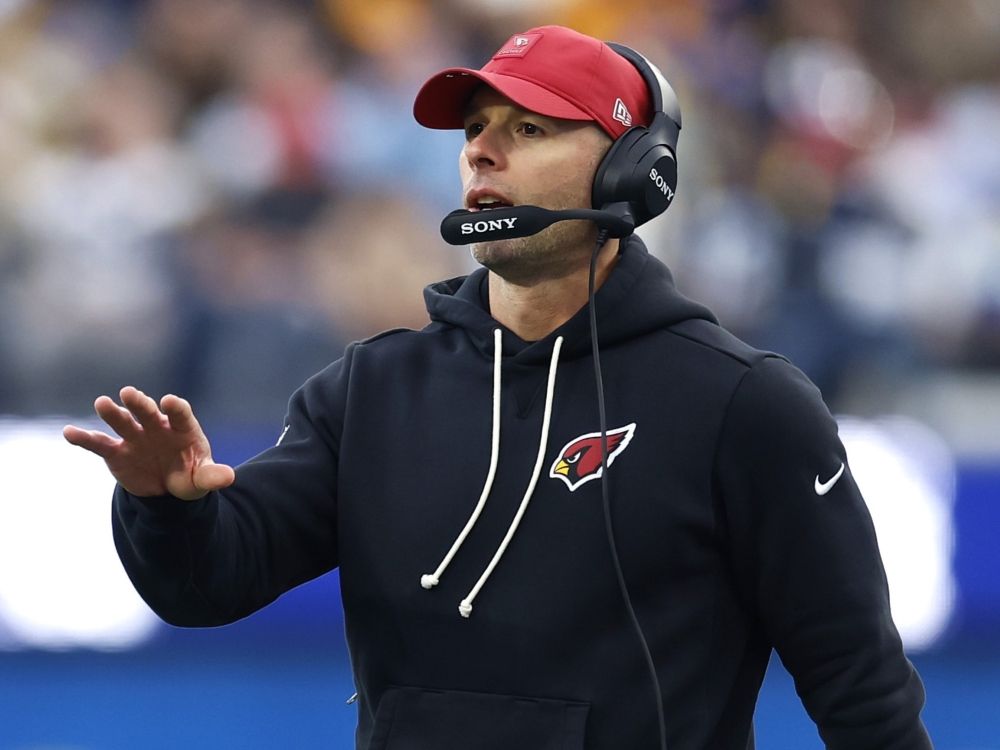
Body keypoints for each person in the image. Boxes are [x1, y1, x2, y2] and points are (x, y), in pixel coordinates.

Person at [64, 25, 932, 750]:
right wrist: (164, 505)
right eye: (477, 127)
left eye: (530, 128)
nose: (480, 148)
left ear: (634, 167)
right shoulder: (370, 389)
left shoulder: (744, 405)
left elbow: (862, 693)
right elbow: (208, 585)